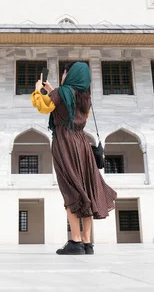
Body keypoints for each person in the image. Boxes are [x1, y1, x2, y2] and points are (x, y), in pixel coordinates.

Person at [30, 62, 117, 255]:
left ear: (70, 75)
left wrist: (38, 90)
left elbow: (44, 106)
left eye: (64, 72)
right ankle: (87, 242)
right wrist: (52, 90)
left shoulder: (62, 93)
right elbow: (68, 108)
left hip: (65, 143)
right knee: (85, 190)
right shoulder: (85, 97)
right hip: (82, 144)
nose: (63, 75)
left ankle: (75, 241)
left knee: (71, 191)